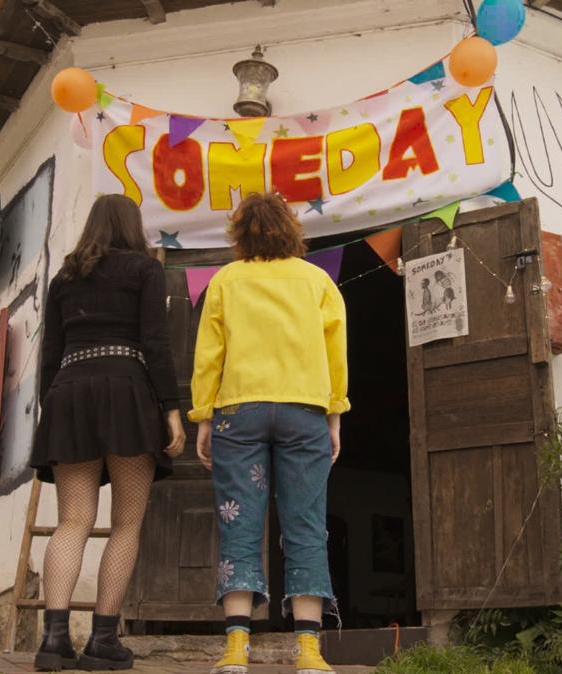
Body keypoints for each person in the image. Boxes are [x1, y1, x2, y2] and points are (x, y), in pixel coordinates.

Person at [190, 192, 349, 674]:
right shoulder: (318, 280)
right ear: (291, 230)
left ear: (240, 234)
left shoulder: (225, 280)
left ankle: (237, 648)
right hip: (304, 409)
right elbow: (335, 351)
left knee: (239, 522)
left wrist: (203, 416)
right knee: (305, 523)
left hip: (239, 409)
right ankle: (309, 652)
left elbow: (209, 353)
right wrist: (335, 413)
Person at [31, 194, 186, 672]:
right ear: (132, 226)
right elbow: (156, 343)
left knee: (73, 521)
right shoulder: (144, 270)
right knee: (125, 522)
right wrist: (172, 409)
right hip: (128, 392)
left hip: (70, 391)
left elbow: (49, 353)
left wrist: (50, 407)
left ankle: (54, 641)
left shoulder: (64, 278)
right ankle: (102, 640)